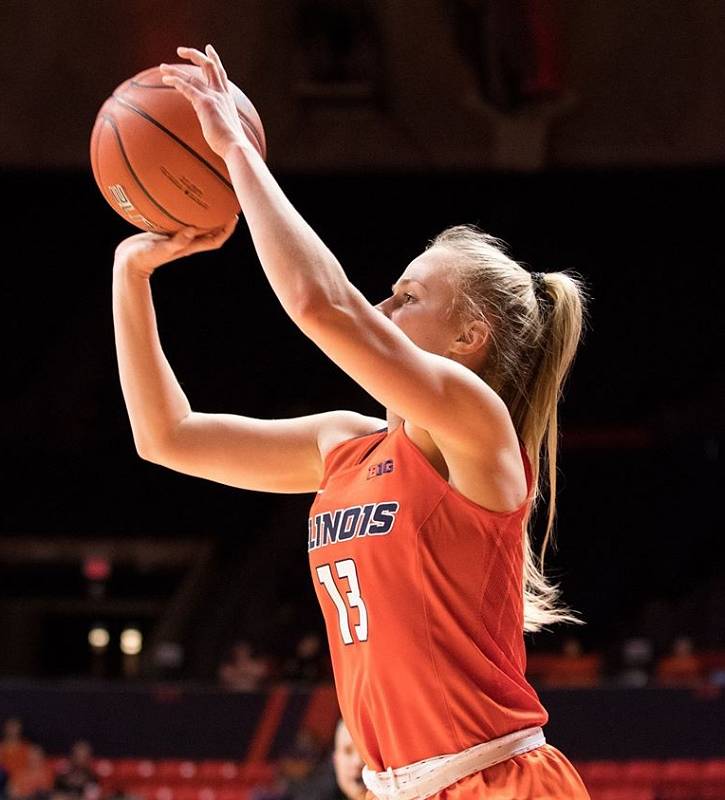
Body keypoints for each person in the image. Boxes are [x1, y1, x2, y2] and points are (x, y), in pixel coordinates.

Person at [113, 43, 590, 799]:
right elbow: (165, 436)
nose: (380, 306)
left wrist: (236, 150)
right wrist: (129, 277)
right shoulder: (344, 443)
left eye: (405, 296)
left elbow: (320, 307)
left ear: (469, 339)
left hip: (495, 781)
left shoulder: (475, 427)